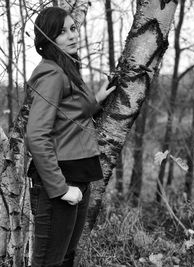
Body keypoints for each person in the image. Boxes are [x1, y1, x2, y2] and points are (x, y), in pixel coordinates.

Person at [26, 6, 116, 267]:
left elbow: (71, 111)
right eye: (62, 32)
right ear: (49, 39)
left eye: (73, 28)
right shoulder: (51, 73)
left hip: (80, 171)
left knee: (65, 258)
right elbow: (36, 135)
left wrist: (97, 99)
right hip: (60, 177)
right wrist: (60, 188)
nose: (72, 35)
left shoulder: (67, 69)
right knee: (48, 262)